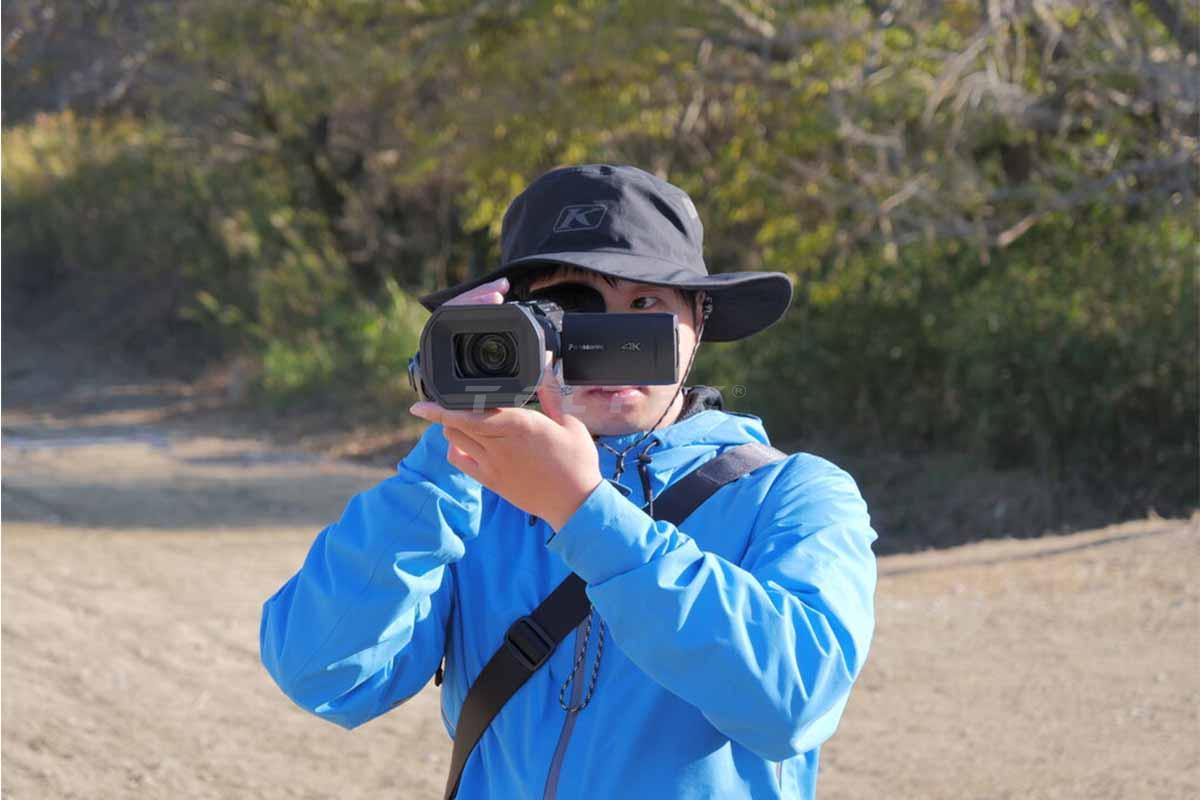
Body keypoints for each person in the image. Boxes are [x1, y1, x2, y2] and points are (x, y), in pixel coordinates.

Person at [260, 164, 879, 799]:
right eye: (575, 309)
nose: (609, 337)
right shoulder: (471, 493)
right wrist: (448, 455)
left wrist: (586, 513)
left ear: (699, 318)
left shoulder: (794, 493)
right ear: (515, 323)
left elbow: (794, 702)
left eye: (645, 305)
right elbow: (321, 674)